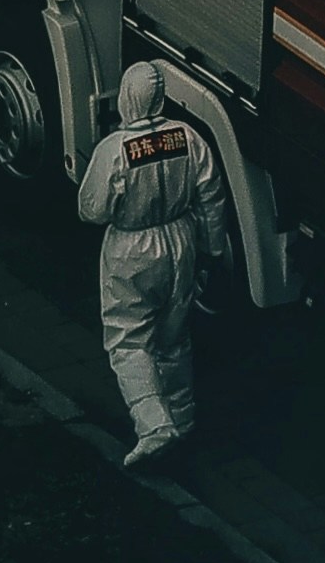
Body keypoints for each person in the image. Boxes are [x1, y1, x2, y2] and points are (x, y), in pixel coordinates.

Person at [75, 62, 236, 469]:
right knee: (172, 336)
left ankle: (153, 426)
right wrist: (212, 250)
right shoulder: (189, 138)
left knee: (129, 340)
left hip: (131, 248)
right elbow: (212, 198)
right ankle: (182, 421)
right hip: (181, 242)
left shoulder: (114, 149)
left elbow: (92, 209)